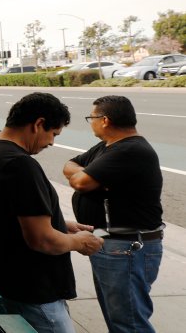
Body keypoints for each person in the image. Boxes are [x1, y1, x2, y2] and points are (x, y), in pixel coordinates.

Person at [0, 92, 103, 333]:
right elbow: (42, 239)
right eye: (53, 134)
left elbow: (8, 214)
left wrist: (59, 222)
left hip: (6, 282)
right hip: (34, 293)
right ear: (38, 124)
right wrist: (78, 242)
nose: (52, 142)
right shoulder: (20, 164)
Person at [63, 95, 164, 333]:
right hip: (109, 242)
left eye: (92, 117)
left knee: (128, 322)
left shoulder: (131, 150)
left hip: (125, 247)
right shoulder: (107, 147)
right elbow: (68, 165)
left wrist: (88, 177)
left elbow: (79, 182)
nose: (91, 122)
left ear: (105, 120)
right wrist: (93, 175)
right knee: (117, 318)